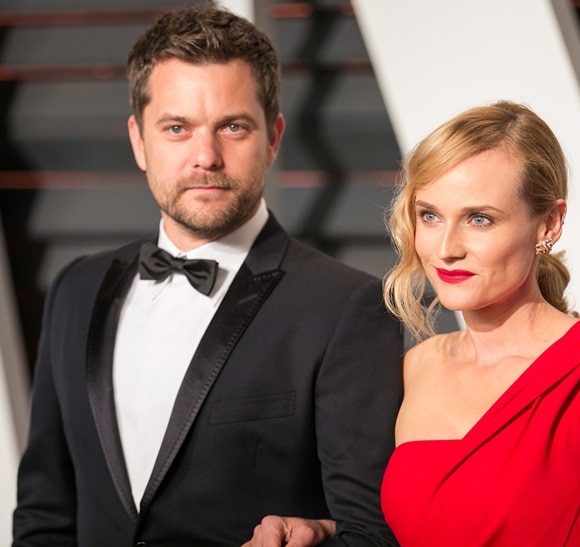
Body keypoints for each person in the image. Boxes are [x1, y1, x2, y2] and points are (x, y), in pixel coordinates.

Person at [12, 3, 402, 546]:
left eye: (233, 127)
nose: (206, 156)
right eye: (177, 128)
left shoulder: (346, 308)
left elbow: (373, 536)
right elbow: (44, 513)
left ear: (273, 139)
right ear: (137, 140)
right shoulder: (76, 288)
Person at [379, 100, 580, 546]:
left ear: (548, 224)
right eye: (429, 215)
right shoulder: (413, 368)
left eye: (479, 219)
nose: (446, 248)